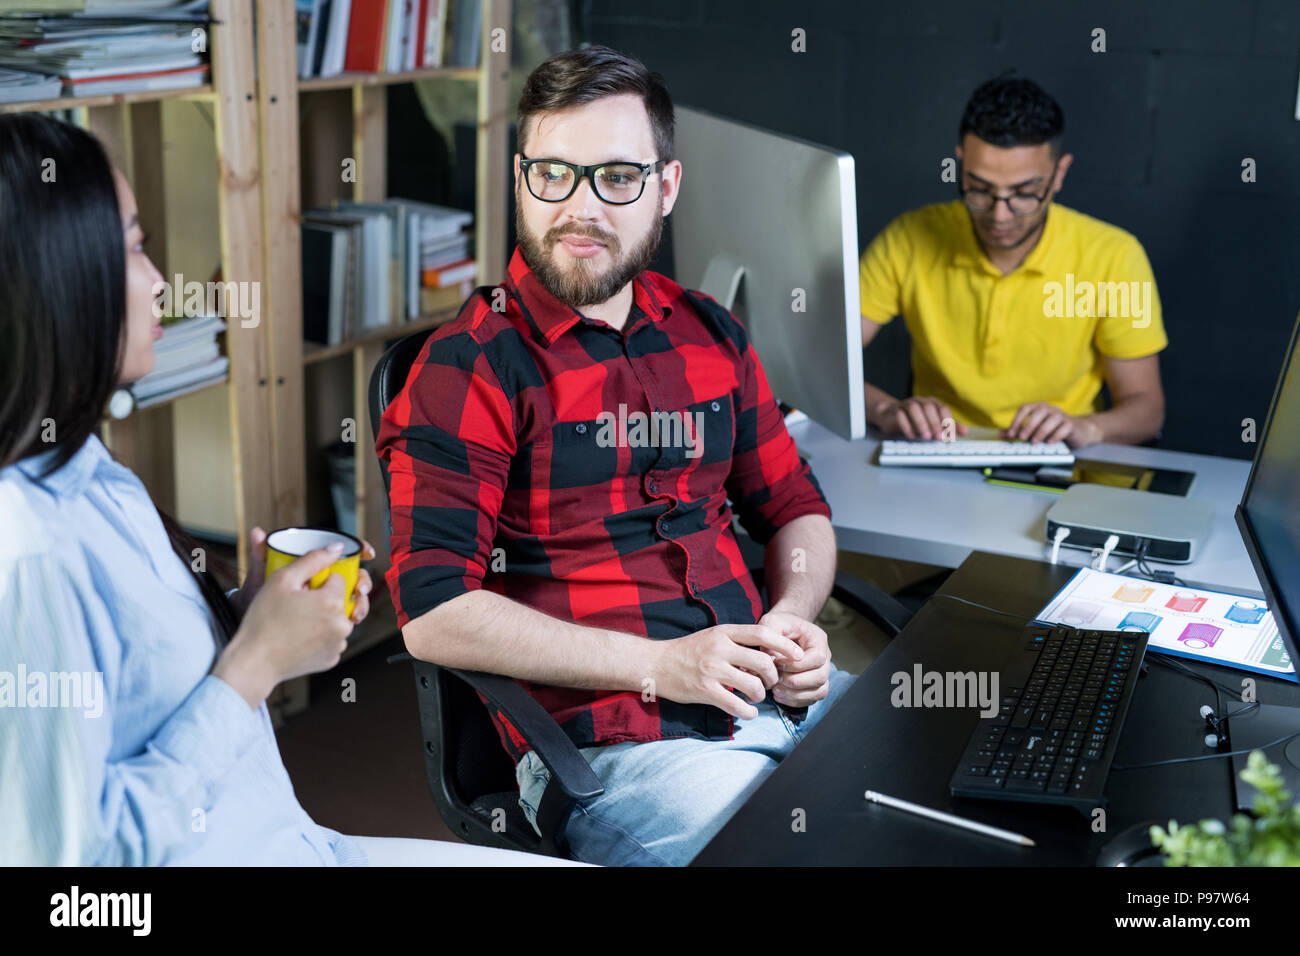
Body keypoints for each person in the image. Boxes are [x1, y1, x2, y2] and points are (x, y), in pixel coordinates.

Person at [0, 113, 571, 867]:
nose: (160, 281)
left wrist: (257, 617)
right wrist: (257, 662)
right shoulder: (28, 553)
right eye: (135, 246)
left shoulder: (92, 473)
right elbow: (75, 877)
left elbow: (145, 685)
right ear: (59, 278)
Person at [376, 45, 855, 868]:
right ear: (522, 177)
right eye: (553, 175)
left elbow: (796, 509)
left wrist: (790, 623)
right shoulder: (469, 367)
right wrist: (664, 666)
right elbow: (433, 611)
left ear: (665, 187)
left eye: (616, 178)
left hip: (774, 696)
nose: (579, 208)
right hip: (619, 750)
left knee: (959, 790)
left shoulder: (710, 330)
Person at [859, 73, 1168, 447]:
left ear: (1059, 174)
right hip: (935, 452)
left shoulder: (1114, 256)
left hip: (1058, 463)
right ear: (960, 163)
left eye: (1024, 194)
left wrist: (1087, 427)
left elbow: (1147, 410)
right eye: (979, 189)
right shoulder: (909, 237)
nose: (999, 216)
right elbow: (822, 365)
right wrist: (884, 410)